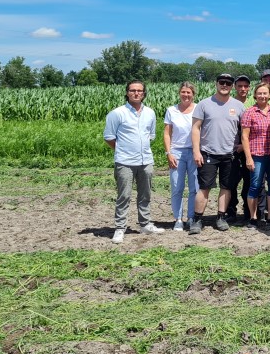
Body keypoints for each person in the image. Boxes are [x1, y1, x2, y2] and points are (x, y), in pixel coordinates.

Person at [104, 80, 164, 243]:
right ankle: (120, 228)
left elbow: (150, 135)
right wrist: (123, 150)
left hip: (146, 161)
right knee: (124, 195)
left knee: (145, 194)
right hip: (125, 162)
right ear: (127, 93)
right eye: (132, 90)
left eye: (139, 91)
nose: (136, 93)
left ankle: (145, 224)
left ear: (144, 93)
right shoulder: (117, 113)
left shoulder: (150, 113)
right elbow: (109, 137)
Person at [190, 73, 247, 234]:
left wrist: (242, 145)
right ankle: (197, 219)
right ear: (216, 84)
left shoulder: (238, 106)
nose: (225, 85)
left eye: (228, 83)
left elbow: (245, 130)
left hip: (230, 154)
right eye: (222, 82)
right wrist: (196, 151)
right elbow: (195, 128)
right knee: (204, 187)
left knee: (226, 187)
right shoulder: (204, 104)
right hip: (208, 153)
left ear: (232, 86)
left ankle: (221, 217)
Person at [241, 82, 270, 230]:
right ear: (255, 95)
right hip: (256, 155)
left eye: (265, 93)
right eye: (260, 93)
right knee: (255, 186)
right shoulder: (249, 112)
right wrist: (248, 157)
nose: (262, 96)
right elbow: (245, 137)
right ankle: (254, 217)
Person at [163, 82, 197, 231]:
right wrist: (168, 152)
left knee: (194, 187)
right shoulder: (172, 110)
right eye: (183, 92)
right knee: (177, 186)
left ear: (193, 94)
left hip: (194, 151)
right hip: (176, 152)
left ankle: (190, 217)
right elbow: (166, 133)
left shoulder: (198, 109)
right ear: (179, 93)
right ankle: (178, 219)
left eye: (189, 92)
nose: (186, 95)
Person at [227, 74, 252, 222]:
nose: (243, 89)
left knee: (249, 182)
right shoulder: (229, 102)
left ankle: (248, 211)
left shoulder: (252, 103)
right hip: (231, 149)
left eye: (246, 86)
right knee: (231, 182)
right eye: (240, 86)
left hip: (247, 148)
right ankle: (231, 211)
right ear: (235, 87)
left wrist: (244, 145)